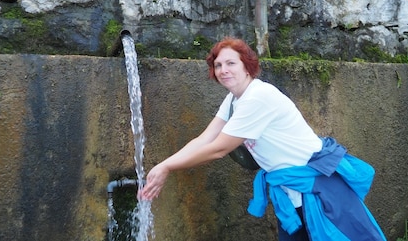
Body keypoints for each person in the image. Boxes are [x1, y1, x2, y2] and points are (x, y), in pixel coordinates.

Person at [139, 37, 386, 241]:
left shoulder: (258, 97)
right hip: (292, 191)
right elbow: (205, 138)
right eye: (218, 65)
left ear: (247, 66)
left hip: (319, 188)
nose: (223, 70)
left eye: (230, 63)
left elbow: (218, 149)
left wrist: (168, 167)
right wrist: (164, 164)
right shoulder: (235, 99)